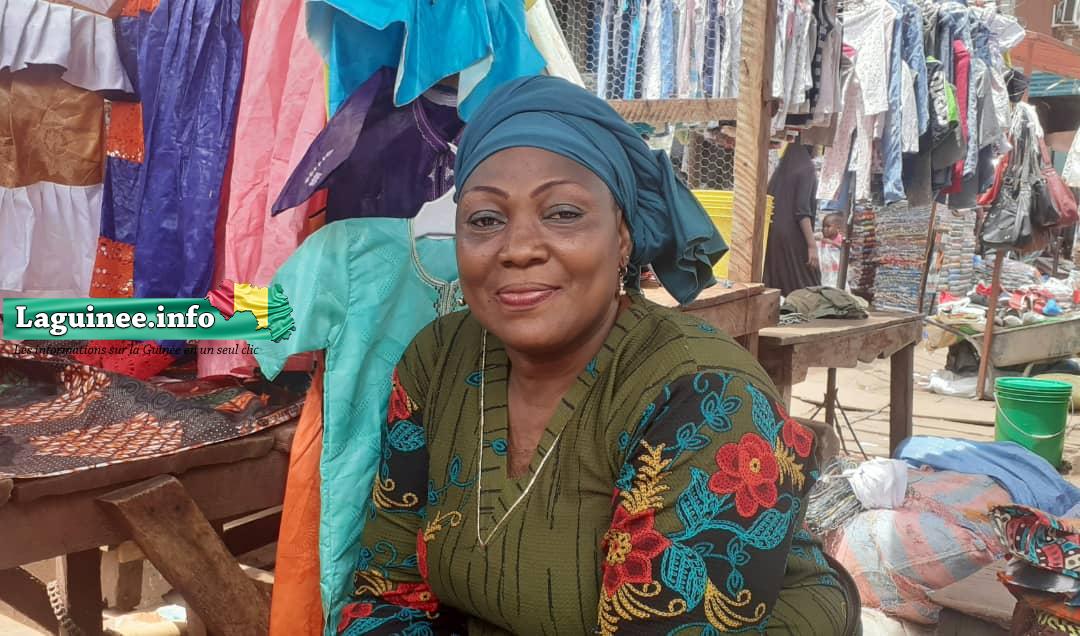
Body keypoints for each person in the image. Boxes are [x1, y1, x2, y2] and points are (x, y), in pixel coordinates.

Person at [336, 76, 857, 635]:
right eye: (485, 219)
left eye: (563, 213)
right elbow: (388, 591)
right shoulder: (437, 360)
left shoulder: (706, 397)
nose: (518, 249)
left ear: (623, 237)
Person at [764, 143, 822, 296]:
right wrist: (812, 246)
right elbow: (802, 211)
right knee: (808, 288)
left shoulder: (782, 170)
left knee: (779, 286)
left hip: (773, 234)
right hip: (793, 236)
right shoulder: (806, 168)